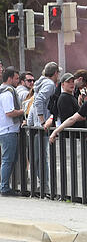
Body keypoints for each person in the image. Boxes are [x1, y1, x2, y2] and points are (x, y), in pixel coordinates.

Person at [0, 67, 23, 196]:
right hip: (8, 130)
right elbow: (9, 112)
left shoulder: (2, 90)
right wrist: (22, 110)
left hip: (5, 129)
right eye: (16, 78)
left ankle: (4, 185)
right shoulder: (7, 93)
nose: (18, 81)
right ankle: (4, 187)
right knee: (7, 160)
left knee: (7, 159)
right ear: (9, 78)